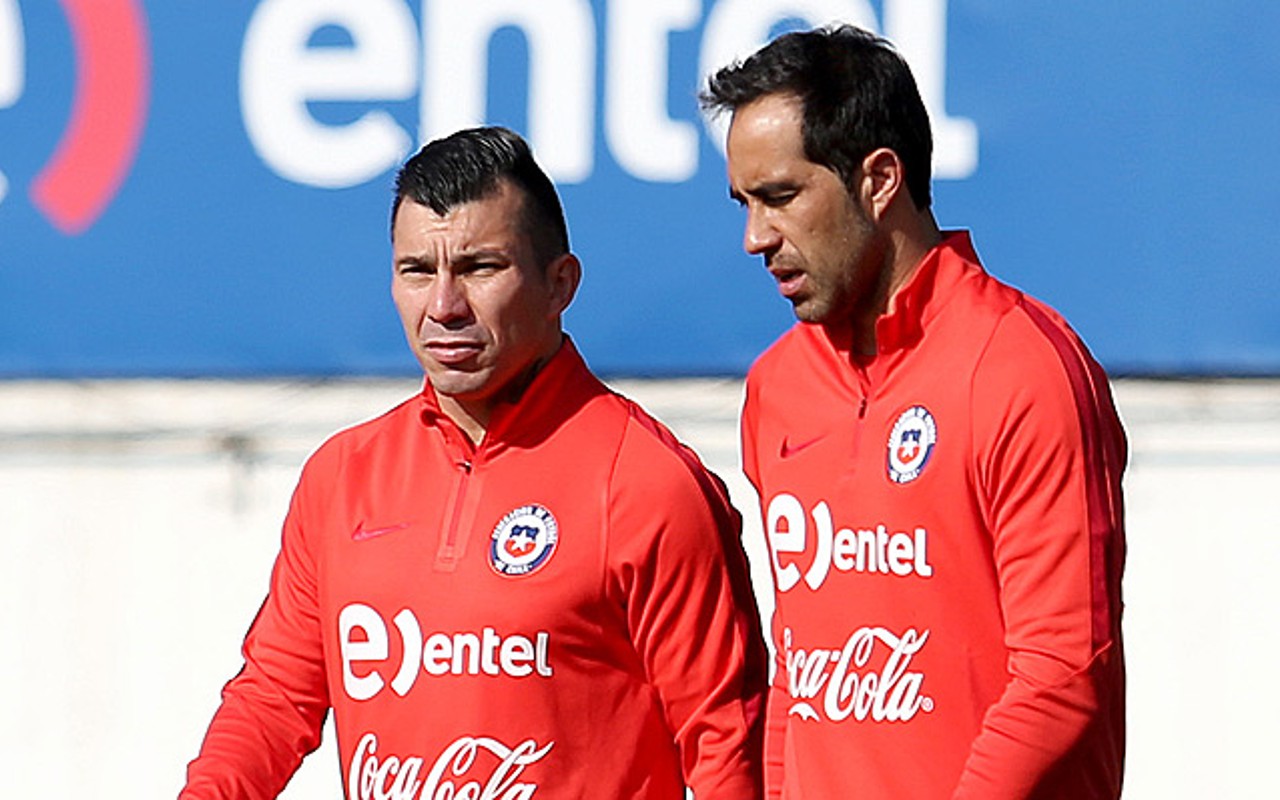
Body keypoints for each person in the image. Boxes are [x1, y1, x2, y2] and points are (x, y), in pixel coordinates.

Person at [180, 126, 767, 799]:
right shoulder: (342, 476)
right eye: (417, 271)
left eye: (480, 268)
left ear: (560, 284)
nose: (444, 307)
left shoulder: (646, 482)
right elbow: (273, 698)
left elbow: (726, 741)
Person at [700, 25, 1126, 799]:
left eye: (781, 197)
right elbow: (802, 669)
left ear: (880, 179)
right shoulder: (776, 388)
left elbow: (1063, 672)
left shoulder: (1022, 367)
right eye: (744, 203)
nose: (755, 237)